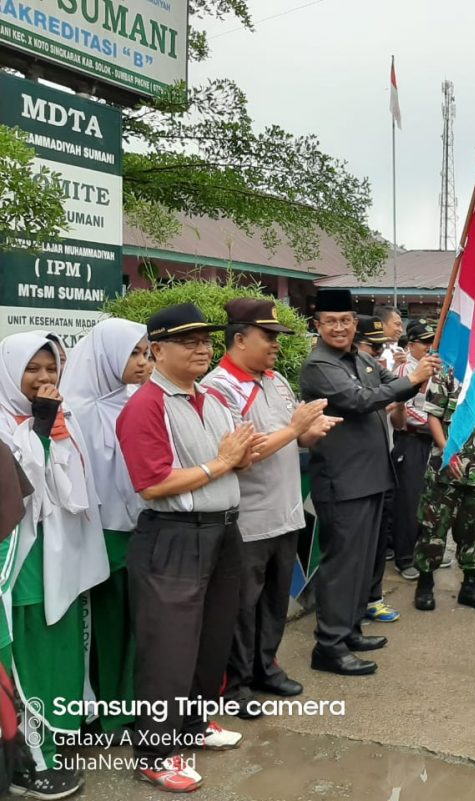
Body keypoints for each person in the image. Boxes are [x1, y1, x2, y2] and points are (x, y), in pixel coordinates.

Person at [116, 304, 262, 792]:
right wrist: (222, 463)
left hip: (222, 530)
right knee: (168, 648)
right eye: (188, 341)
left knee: (211, 637)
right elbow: (153, 483)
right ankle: (155, 752)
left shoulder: (209, 399)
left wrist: (235, 459)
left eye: (205, 340)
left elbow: (234, 458)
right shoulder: (145, 405)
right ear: (157, 350)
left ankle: (194, 726)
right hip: (174, 536)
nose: (202, 348)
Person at [201, 300, 339, 719]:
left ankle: (267, 666)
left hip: (284, 512)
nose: (277, 345)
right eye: (269, 337)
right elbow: (242, 453)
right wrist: (295, 429)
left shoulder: (276, 381)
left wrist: (309, 434)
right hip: (248, 518)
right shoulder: (218, 388)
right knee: (241, 608)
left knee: (275, 601)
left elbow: (287, 439)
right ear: (239, 339)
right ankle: (236, 683)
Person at [299, 289, 438, 677]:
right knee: (343, 564)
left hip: (372, 476)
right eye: (331, 322)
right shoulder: (319, 366)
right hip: (343, 480)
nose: (340, 328)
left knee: (363, 565)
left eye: (346, 321)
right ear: (318, 326)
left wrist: (419, 374)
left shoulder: (359, 357)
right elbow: (361, 400)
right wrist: (411, 378)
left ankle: (350, 629)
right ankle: (329, 644)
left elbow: (392, 384)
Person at [1, 332, 109, 799]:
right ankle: (28, 759)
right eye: (32, 369)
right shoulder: (5, 423)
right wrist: (40, 430)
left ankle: (55, 736)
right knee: (27, 657)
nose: (44, 379)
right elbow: (25, 493)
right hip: (22, 560)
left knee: (62, 652)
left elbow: (76, 491)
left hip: (63, 554)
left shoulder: (62, 417)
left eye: (51, 369)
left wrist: (51, 427)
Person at [60, 319, 149, 737]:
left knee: (133, 623)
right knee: (106, 625)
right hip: (97, 532)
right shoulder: (76, 411)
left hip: (136, 527)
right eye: (134, 353)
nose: (142, 362)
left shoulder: (134, 401)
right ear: (105, 357)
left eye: (146, 353)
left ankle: (129, 704)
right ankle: (106, 713)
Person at [412, 356, 475, 612]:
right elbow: (433, 416)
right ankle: (424, 586)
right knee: (434, 528)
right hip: (446, 469)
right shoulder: (446, 375)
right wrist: (447, 449)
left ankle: (470, 587)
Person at [352, 314, 403, 623]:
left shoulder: (378, 374)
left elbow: (399, 420)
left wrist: (396, 405)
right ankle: (354, 605)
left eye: (379, 348)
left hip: (385, 464)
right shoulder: (347, 378)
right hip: (358, 474)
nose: (377, 354)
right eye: (372, 348)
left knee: (377, 542)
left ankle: (373, 597)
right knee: (356, 548)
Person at [389, 320, 438, 580]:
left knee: (429, 500)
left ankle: (424, 552)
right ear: (411, 345)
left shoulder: (436, 369)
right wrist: (432, 423)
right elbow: (403, 409)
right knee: (409, 501)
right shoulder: (404, 371)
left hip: (432, 441)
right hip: (410, 439)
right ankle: (404, 557)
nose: (430, 347)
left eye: (433, 342)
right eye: (425, 343)